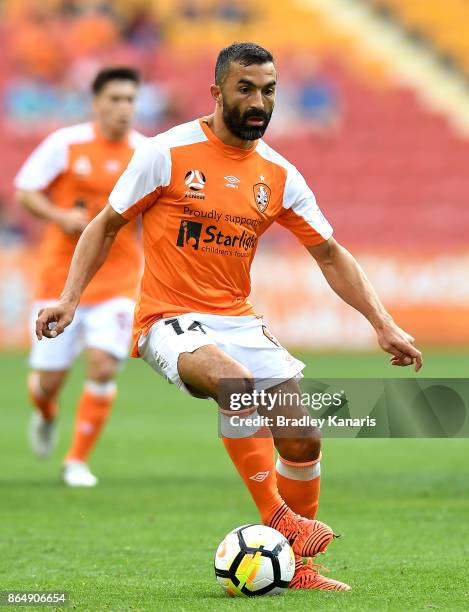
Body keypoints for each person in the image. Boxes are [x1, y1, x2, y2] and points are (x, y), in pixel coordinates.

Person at [35, 44, 422, 589]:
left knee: (303, 438)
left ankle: (299, 569)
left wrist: (383, 324)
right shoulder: (166, 153)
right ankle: (278, 519)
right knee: (235, 385)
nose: (258, 101)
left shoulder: (280, 174)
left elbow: (330, 254)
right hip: (167, 319)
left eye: (268, 90)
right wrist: (70, 299)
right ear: (217, 92)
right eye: (245, 89)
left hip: (237, 319)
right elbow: (104, 225)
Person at [15, 66, 145, 487]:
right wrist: (59, 216)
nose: (123, 108)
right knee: (50, 382)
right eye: (115, 99)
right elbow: (25, 190)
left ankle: (75, 461)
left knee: (104, 365)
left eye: (130, 100)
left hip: (117, 279)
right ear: (96, 102)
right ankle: (46, 412)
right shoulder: (65, 143)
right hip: (59, 277)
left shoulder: (146, 153)